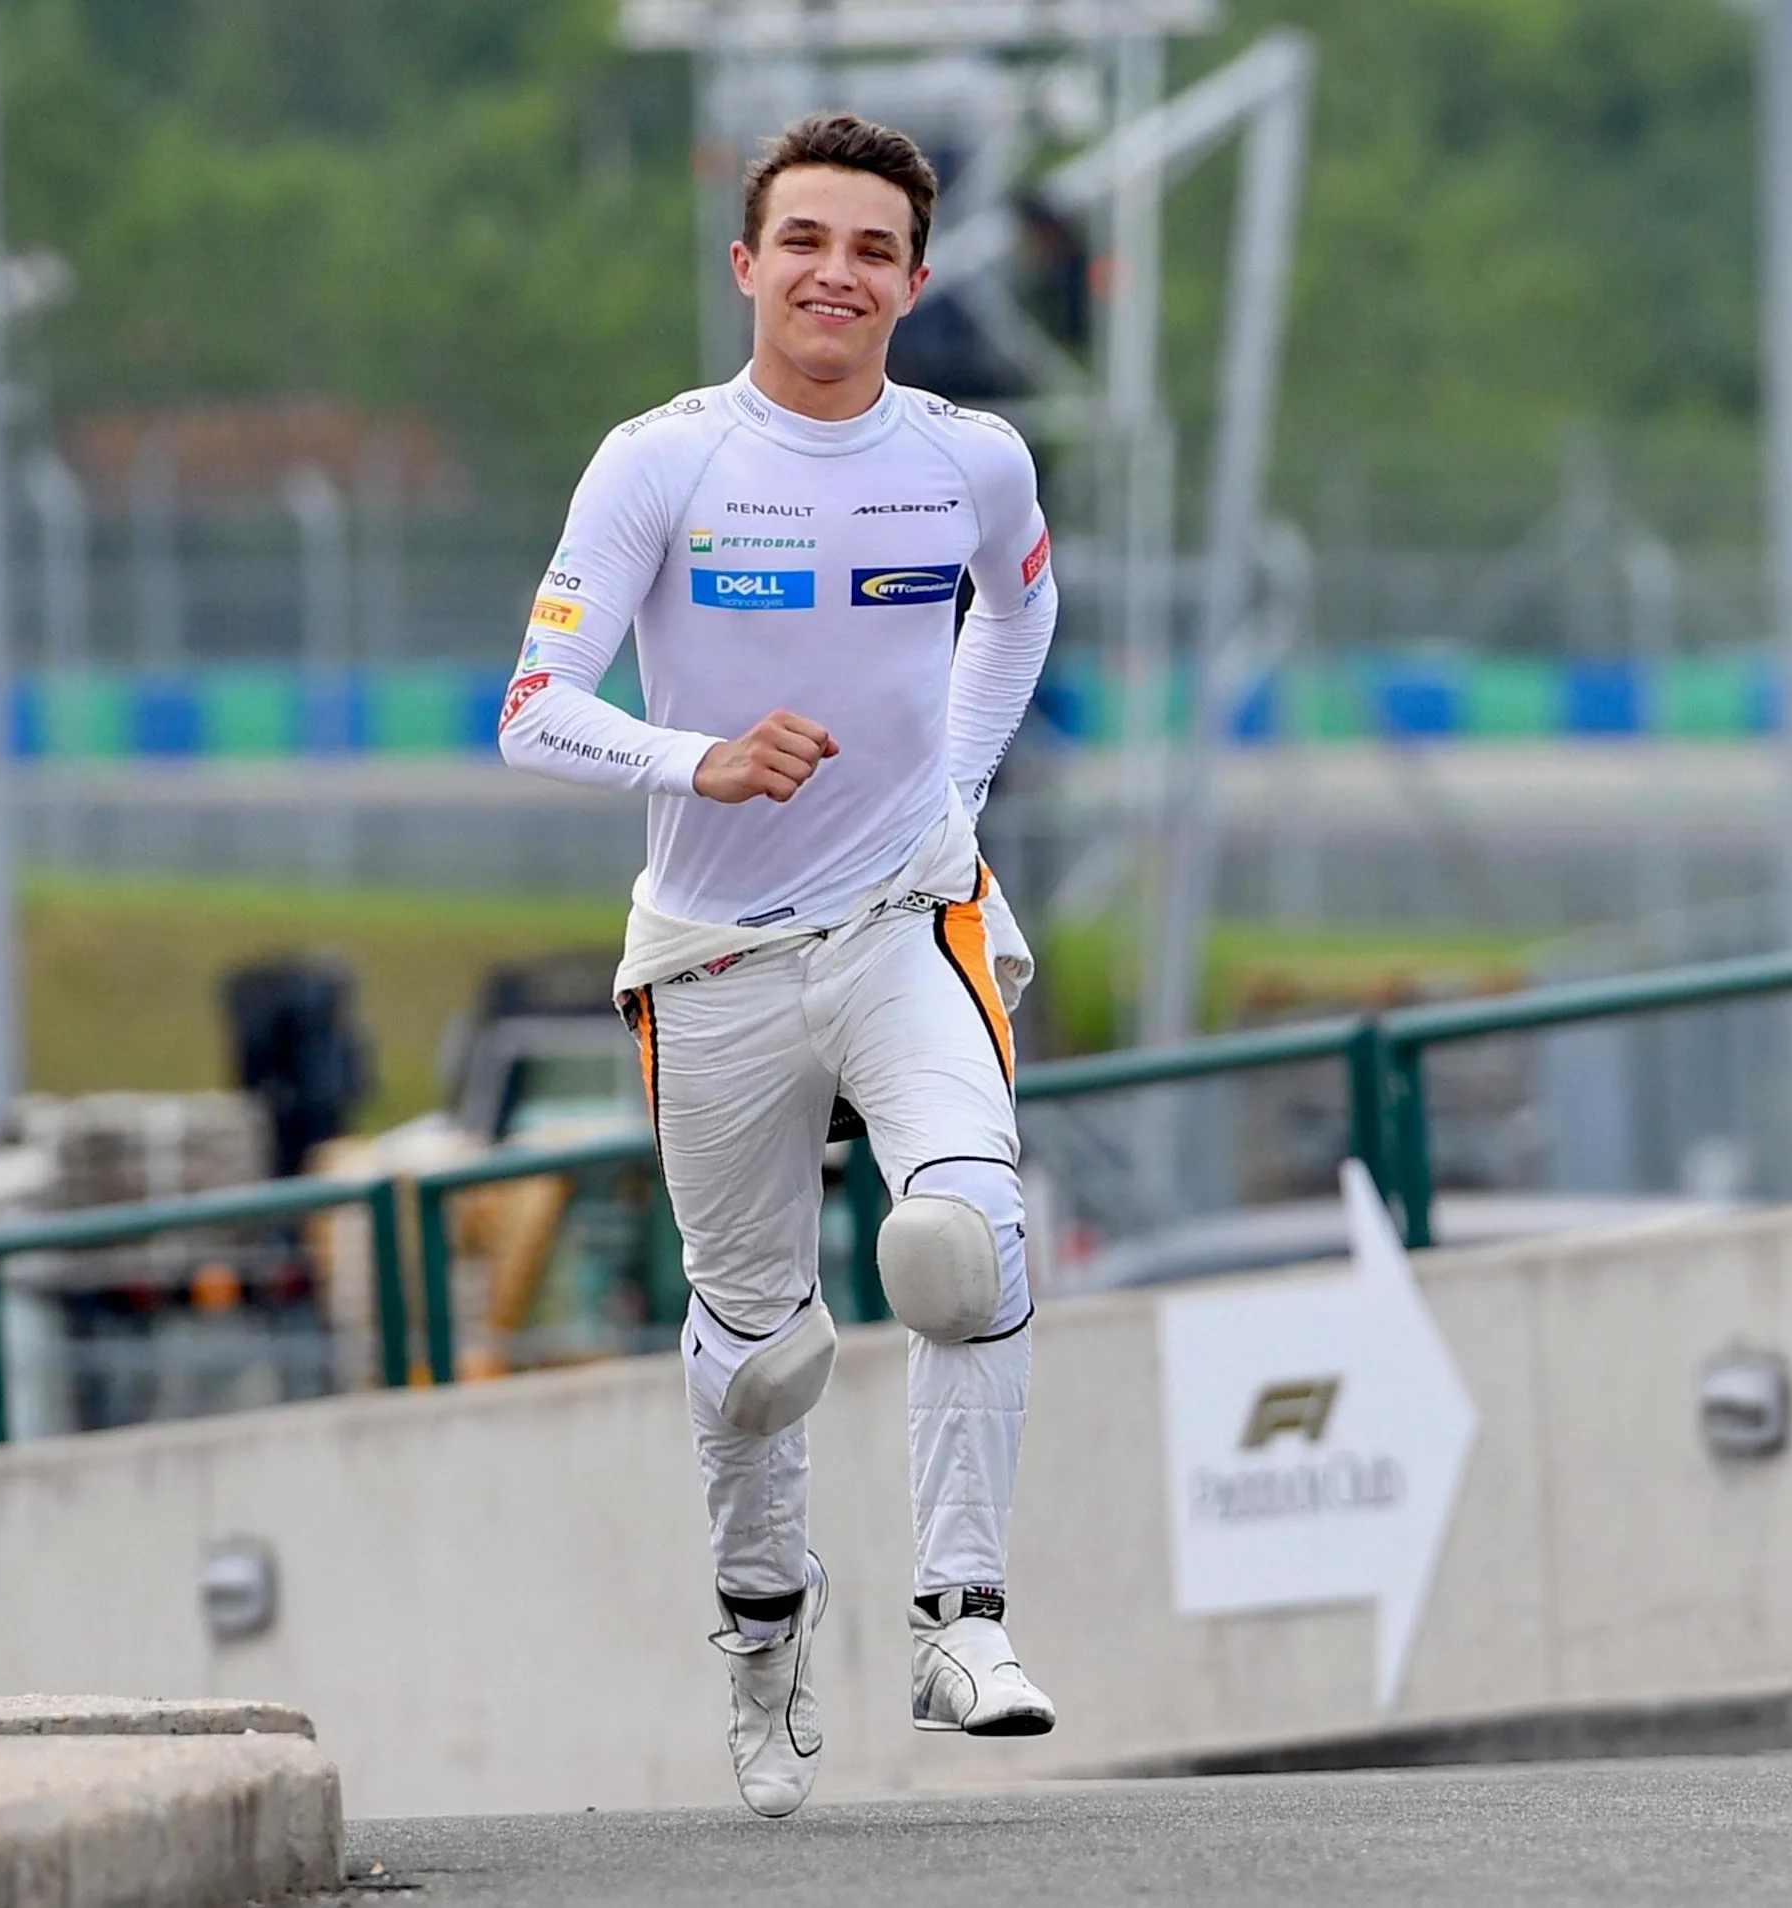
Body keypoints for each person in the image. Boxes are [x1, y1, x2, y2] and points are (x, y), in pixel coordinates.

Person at [496, 111, 1062, 1819]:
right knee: (762, 1352)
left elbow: (1019, 611)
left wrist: (954, 786)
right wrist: (701, 762)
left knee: (962, 1240)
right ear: (748, 266)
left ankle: (962, 1622)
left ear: (914, 280)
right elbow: (533, 713)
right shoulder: (658, 461)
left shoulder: (973, 460)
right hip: (716, 955)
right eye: (804, 242)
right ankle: (763, 1628)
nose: (838, 273)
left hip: (911, 916)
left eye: (873, 249)